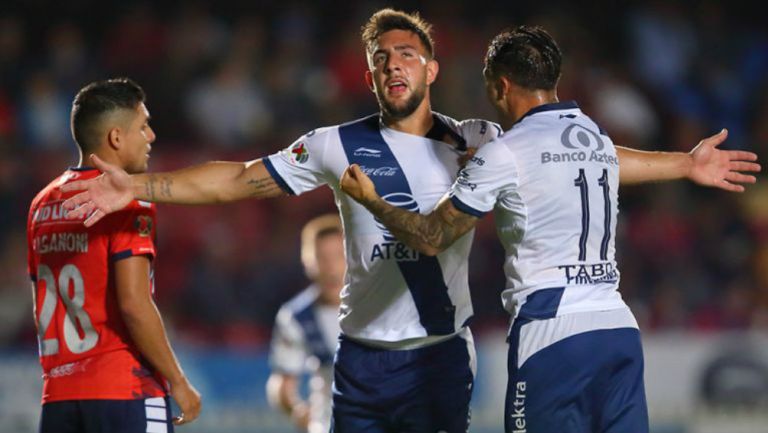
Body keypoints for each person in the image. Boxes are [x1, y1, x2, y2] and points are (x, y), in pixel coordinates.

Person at [60, 10, 758, 433]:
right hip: (361, 360)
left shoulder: (480, 140)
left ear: (430, 66)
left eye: (403, 54)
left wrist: (681, 165)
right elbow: (235, 180)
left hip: (440, 359)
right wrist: (139, 183)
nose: (391, 66)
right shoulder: (335, 143)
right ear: (370, 77)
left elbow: (587, 157)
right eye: (379, 60)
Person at [338, 25, 761, 433]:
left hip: (552, 335)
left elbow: (432, 238)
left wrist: (372, 200)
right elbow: (612, 160)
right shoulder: (590, 136)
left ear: (500, 87)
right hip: (616, 329)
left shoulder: (505, 153)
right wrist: (686, 164)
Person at [26, 78, 201, 433]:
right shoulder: (126, 198)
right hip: (124, 389)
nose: (151, 136)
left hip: (59, 396)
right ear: (116, 138)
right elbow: (134, 303)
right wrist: (178, 381)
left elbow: (41, 301)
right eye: (144, 125)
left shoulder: (42, 203)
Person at [266, 214, 345, 433]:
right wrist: (296, 409)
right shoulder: (297, 317)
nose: (331, 267)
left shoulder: (382, 308)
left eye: (339, 256)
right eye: (322, 258)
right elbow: (283, 383)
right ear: (307, 261)